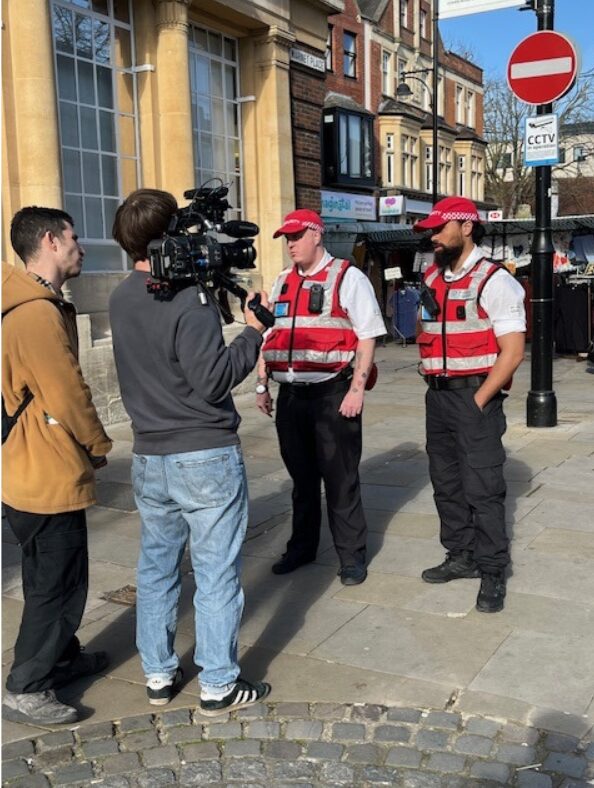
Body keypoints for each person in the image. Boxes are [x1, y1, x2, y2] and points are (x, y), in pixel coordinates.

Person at [109, 188, 271, 714]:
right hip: (203, 453)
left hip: (149, 456)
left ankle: (158, 674)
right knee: (216, 571)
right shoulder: (187, 299)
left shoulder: (120, 297)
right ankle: (219, 684)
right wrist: (253, 332)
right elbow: (214, 380)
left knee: (156, 568)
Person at [2, 207, 112, 725]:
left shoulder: (29, 302)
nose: (80, 246)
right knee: (57, 583)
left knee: (53, 574)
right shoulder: (35, 312)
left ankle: (61, 658)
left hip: (30, 465)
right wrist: (97, 444)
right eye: (73, 236)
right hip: (44, 469)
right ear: (49, 241)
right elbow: (67, 391)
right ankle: (26, 686)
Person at [256, 209, 385, 586]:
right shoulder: (282, 280)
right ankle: (302, 548)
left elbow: (368, 336)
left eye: (297, 236)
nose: (291, 244)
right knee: (302, 480)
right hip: (291, 395)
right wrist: (263, 384)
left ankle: (351, 556)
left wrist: (356, 391)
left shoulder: (347, 277)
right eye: (287, 238)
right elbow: (270, 335)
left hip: (332, 394)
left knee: (341, 479)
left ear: (316, 234)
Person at [414, 196, 526, 613]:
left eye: (440, 229)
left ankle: (493, 569)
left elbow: (513, 351)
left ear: (466, 227)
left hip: (474, 396)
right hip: (438, 397)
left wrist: (479, 400)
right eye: (430, 230)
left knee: (483, 488)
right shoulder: (432, 276)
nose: (433, 237)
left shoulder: (494, 280)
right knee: (446, 484)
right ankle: (461, 554)